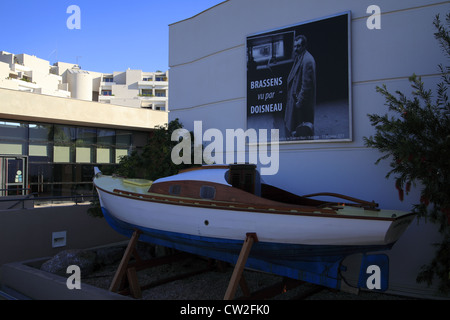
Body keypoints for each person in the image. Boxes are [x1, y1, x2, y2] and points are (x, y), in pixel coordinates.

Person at [284, 35, 316, 139]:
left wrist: (299, 103)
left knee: (303, 131)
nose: (295, 49)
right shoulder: (299, 57)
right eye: (294, 46)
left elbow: (306, 86)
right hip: (295, 101)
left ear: (304, 46)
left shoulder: (308, 60)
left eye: (298, 46)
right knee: (295, 130)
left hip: (301, 105)